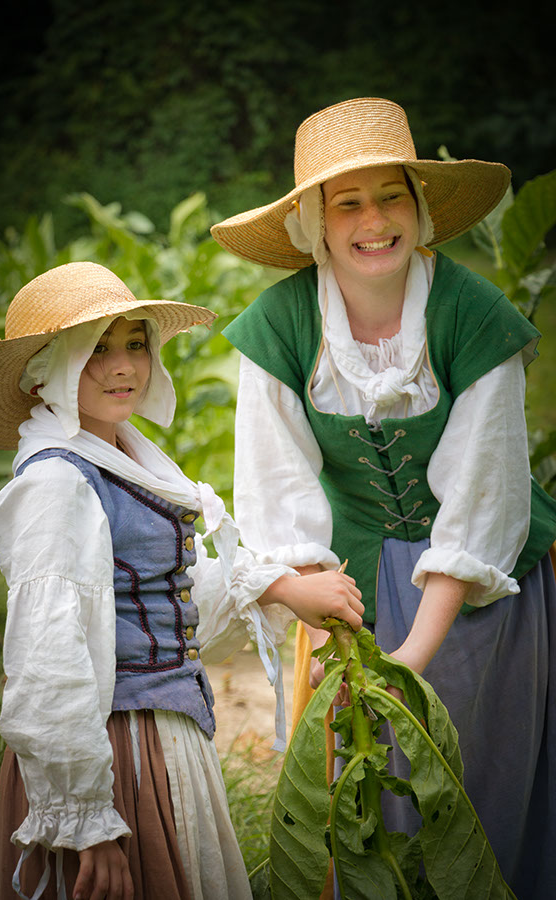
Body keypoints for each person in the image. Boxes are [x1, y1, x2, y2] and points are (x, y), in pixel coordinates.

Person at [211, 97, 556, 898]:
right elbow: (275, 490)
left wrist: (408, 662)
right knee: (363, 808)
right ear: (314, 224)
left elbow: (483, 501)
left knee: (478, 798)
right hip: (350, 594)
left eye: (391, 195)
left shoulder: (474, 318)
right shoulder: (279, 328)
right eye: (348, 202)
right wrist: (311, 598)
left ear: (421, 206)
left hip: (482, 593)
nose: (374, 220)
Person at [0, 261, 364, 900]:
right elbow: (48, 658)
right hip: (115, 750)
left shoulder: (123, 457)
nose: (124, 366)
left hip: (160, 734)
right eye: (97, 350)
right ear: (48, 373)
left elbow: (167, 593)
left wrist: (282, 587)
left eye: (135, 344)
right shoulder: (55, 485)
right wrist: (86, 822)